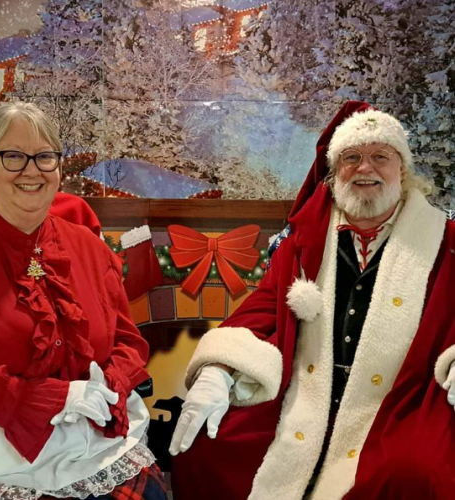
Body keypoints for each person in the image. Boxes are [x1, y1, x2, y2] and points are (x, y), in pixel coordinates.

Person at [169, 101, 455, 500]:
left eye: (380, 157)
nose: (365, 168)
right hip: (303, 391)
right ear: (335, 171)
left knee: (416, 473)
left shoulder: (445, 242)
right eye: (351, 157)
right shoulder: (306, 241)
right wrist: (219, 368)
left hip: (398, 401)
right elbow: (265, 308)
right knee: (206, 449)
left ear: (401, 170)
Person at [0, 102, 167, 500]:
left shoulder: (89, 247)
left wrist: (111, 387)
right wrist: (41, 398)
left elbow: (126, 341)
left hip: (92, 443)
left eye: (45, 157)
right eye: (13, 156)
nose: (31, 170)